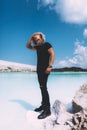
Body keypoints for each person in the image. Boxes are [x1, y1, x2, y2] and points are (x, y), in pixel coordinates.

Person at [26, 32, 55, 119]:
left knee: (44, 88)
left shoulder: (47, 45)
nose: (37, 41)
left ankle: (47, 110)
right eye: (35, 40)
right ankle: (43, 105)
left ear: (42, 38)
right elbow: (27, 46)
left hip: (45, 69)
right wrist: (31, 37)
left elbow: (52, 55)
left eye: (38, 39)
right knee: (42, 87)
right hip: (39, 70)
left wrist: (50, 66)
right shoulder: (37, 47)